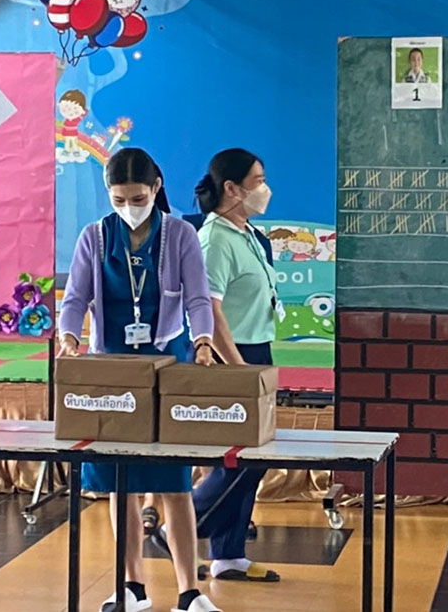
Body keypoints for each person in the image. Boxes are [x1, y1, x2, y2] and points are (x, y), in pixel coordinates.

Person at [58, 147, 221, 612]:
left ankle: (189, 591)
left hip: (166, 363)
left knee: (175, 482)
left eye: (137, 198)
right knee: (120, 483)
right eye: (119, 200)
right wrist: (69, 336)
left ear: (156, 188)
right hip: (111, 370)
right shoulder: (94, 236)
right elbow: (75, 297)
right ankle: (132, 586)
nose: (129, 207)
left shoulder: (180, 235)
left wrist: (203, 341)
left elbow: (198, 298)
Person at [164, 148, 282, 583]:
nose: (265, 189)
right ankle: (183, 524)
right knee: (241, 457)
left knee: (254, 455)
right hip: (229, 355)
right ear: (232, 188)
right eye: (258, 180)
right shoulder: (213, 239)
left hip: (257, 348)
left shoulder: (248, 234)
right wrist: (237, 368)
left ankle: (229, 555)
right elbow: (210, 311)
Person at [59, 89, 87, 156]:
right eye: (65, 109)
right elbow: (65, 127)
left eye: (75, 110)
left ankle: (76, 151)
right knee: (67, 142)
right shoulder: (66, 120)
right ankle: (67, 150)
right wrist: (63, 132)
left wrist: (84, 112)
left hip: (73, 134)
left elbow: (82, 116)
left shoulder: (76, 119)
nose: (70, 112)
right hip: (67, 134)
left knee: (74, 142)